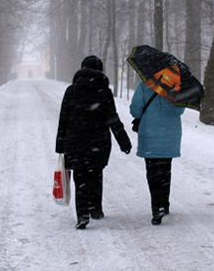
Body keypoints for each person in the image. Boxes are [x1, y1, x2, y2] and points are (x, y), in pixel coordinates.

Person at [56, 56, 132, 229]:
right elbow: (112, 118)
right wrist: (123, 141)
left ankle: (82, 214)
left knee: (80, 177)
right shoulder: (103, 92)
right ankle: (96, 209)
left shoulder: (71, 91)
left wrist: (60, 144)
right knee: (96, 176)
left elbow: (64, 119)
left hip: (75, 141)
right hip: (99, 142)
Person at [130, 81, 184, 225]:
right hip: (170, 134)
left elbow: (135, 110)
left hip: (149, 133)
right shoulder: (176, 87)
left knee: (152, 172)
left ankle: (156, 207)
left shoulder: (144, 85)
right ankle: (164, 204)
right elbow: (180, 110)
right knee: (166, 170)